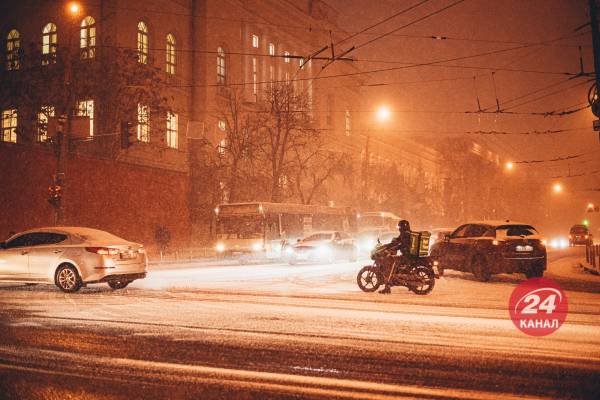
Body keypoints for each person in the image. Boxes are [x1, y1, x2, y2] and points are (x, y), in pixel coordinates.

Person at [379, 219, 413, 294]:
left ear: (403, 227)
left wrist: (394, 248)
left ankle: (387, 287)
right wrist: (387, 245)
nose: (399, 228)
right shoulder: (406, 233)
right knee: (393, 262)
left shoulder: (406, 234)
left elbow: (403, 245)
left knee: (391, 263)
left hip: (406, 256)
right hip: (408, 255)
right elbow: (398, 240)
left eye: (400, 226)